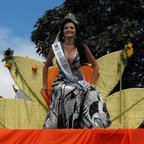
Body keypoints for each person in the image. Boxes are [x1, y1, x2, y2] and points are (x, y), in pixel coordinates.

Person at [42, 13, 111, 128]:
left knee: (92, 94)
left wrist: (92, 84)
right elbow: (45, 66)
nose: (69, 30)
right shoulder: (56, 48)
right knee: (65, 89)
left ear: (75, 31)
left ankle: (91, 126)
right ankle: (65, 126)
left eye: (71, 28)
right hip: (61, 81)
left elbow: (95, 66)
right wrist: (44, 84)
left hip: (78, 81)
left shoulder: (81, 46)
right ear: (63, 31)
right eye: (66, 28)